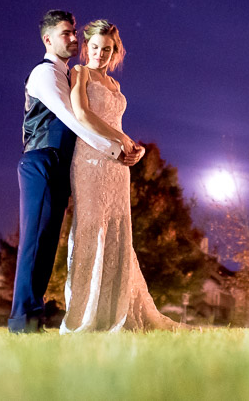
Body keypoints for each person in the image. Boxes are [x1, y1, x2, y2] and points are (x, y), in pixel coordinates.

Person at [9, 10, 144, 334]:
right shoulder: (44, 74)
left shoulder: (69, 74)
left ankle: (34, 316)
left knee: (47, 241)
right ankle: (21, 320)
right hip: (41, 160)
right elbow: (73, 118)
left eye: (73, 33)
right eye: (66, 33)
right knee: (34, 241)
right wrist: (117, 147)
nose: (73, 38)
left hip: (63, 163)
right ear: (47, 39)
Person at [60, 19, 183, 333]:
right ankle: (83, 317)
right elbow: (83, 115)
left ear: (115, 52)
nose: (101, 54)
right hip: (90, 162)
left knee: (117, 232)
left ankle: (116, 311)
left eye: (108, 49)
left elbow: (116, 125)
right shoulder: (80, 73)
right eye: (96, 47)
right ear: (87, 47)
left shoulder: (115, 85)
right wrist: (121, 138)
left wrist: (135, 149)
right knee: (90, 230)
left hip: (117, 168)